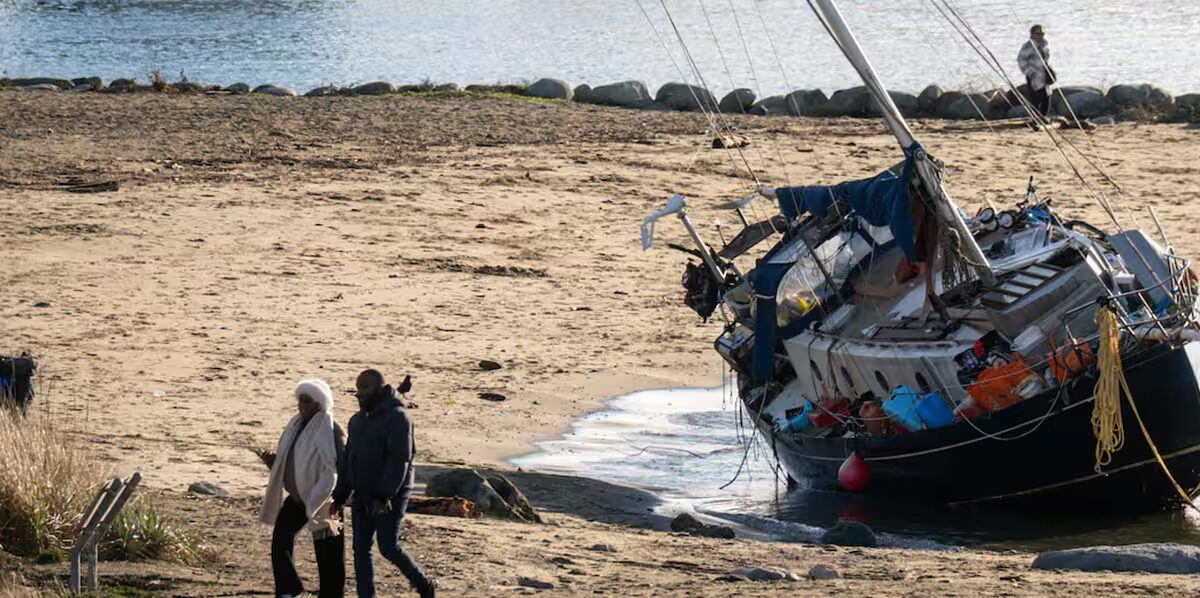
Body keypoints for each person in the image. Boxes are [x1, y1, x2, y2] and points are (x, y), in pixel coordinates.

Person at [331, 370, 435, 598]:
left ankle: (424, 584)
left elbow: (400, 460)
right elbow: (350, 459)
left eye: (365, 388)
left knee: (388, 547)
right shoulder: (357, 421)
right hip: (362, 493)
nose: (360, 393)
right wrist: (340, 496)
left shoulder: (398, 417)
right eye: (358, 388)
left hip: (391, 496)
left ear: (379, 389)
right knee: (360, 550)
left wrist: (384, 496)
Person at [260, 379, 347, 598]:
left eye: (307, 401)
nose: (302, 406)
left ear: (319, 403)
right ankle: (288, 588)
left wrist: (340, 497)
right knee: (280, 540)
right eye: (300, 401)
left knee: (328, 552)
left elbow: (342, 464)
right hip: (298, 497)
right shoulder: (295, 425)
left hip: (325, 498)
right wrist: (273, 462)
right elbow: (289, 457)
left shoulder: (332, 429)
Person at [1018, 24, 1056, 116]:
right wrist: (1030, 72)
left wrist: (1050, 70)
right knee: (1036, 99)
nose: (1041, 35)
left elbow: (1047, 59)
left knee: (1046, 98)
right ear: (1032, 34)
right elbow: (1021, 60)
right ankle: (1036, 119)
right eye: (1038, 33)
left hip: (1044, 75)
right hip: (1034, 77)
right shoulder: (1028, 46)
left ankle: (1044, 117)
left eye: (1042, 33)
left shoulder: (1045, 45)